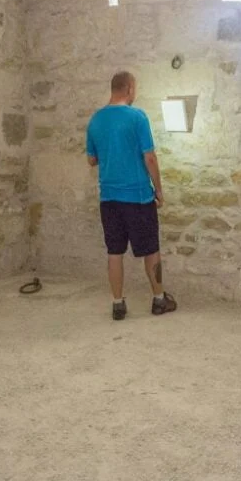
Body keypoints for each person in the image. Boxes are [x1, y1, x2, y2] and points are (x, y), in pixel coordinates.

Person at [86, 71, 178, 321]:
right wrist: (158, 189)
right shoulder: (137, 117)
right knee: (151, 250)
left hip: (109, 199)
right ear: (128, 88)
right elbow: (149, 156)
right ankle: (159, 299)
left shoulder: (95, 120)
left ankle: (117, 303)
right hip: (137, 197)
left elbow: (92, 159)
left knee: (114, 252)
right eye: (134, 89)